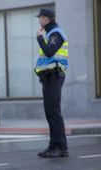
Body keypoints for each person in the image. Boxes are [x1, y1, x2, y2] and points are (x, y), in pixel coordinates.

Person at [34, 8, 69, 158]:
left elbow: (49, 51)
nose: (39, 20)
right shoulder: (49, 32)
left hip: (55, 75)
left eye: (40, 18)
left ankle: (61, 148)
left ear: (47, 18)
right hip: (48, 77)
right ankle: (53, 146)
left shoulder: (56, 33)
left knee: (54, 112)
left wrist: (40, 38)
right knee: (50, 113)